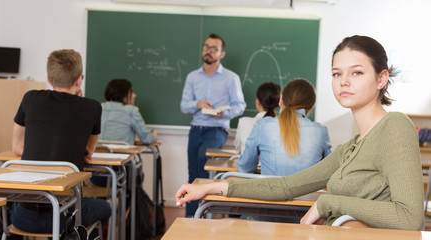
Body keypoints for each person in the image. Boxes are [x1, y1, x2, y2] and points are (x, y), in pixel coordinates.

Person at [175, 35, 424, 230]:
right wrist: (211, 188)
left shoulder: (395, 126)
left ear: (381, 79)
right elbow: (284, 187)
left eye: (356, 72)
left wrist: (328, 203)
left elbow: (409, 217)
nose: (344, 81)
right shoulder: (351, 148)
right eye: (337, 73)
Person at [11, 49, 111, 236]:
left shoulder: (30, 98)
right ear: (79, 80)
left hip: (24, 217)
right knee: (105, 208)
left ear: (49, 79)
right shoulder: (92, 107)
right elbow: (89, 151)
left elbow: (16, 148)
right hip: (65, 216)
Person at [180, 33, 246, 217]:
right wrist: (197, 104)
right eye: (206, 47)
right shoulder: (192, 77)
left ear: (222, 54)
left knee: (203, 163)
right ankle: (191, 219)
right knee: (193, 175)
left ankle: (204, 215)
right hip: (196, 129)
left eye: (213, 48)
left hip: (217, 130)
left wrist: (224, 113)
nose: (208, 51)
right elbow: (184, 106)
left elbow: (240, 106)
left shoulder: (231, 78)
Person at [237, 79, 331, 176]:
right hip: (309, 191)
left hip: (270, 191)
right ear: (312, 106)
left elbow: (245, 168)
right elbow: (328, 171)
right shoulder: (321, 132)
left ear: (281, 100)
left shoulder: (262, 126)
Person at [99, 78, 157, 145]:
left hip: (98, 152)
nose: (134, 95)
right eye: (131, 92)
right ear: (123, 95)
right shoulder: (131, 111)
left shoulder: (99, 107)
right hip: (122, 154)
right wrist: (154, 135)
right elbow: (146, 139)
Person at [233, 82, 281, 154]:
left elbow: (238, 150)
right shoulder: (283, 124)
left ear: (257, 101)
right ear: (279, 103)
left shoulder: (243, 122)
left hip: (248, 164)